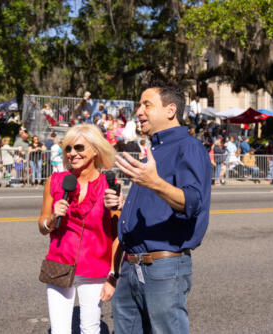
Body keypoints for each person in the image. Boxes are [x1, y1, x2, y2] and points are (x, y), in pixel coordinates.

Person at [106, 81, 212, 334]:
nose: (139, 111)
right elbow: (154, 206)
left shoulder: (189, 147)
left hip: (162, 269)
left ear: (170, 110)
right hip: (131, 266)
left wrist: (154, 183)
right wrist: (122, 207)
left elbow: (192, 203)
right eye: (139, 105)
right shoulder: (154, 151)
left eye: (147, 104)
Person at [37, 123, 119, 334]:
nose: (72, 153)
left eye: (79, 148)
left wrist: (114, 275)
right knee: (59, 331)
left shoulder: (108, 185)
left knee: (90, 330)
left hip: (95, 269)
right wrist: (53, 218)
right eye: (68, 148)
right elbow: (43, 226)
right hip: (59, 264)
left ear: (95, 150)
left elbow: (117, 234)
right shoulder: (55, 182)